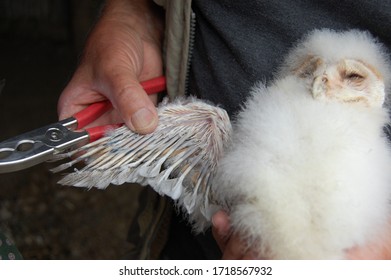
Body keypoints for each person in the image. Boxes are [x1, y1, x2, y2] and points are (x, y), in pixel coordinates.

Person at [58, 0, 391, 259]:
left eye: (353, 77)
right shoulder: (257, 127)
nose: (324, 82)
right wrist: (131, 16)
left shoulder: (369, 151)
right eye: (312, 71)